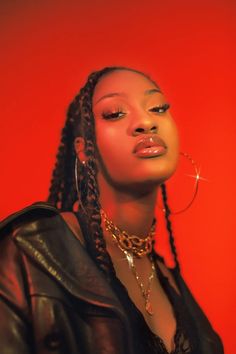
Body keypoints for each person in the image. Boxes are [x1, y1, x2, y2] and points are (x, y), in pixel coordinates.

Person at [0, 67, 223, 354]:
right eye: (115, 113)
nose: (145, 122)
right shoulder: (29, 250)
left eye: (158, 108)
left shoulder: (169, 280)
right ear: (83, 150)